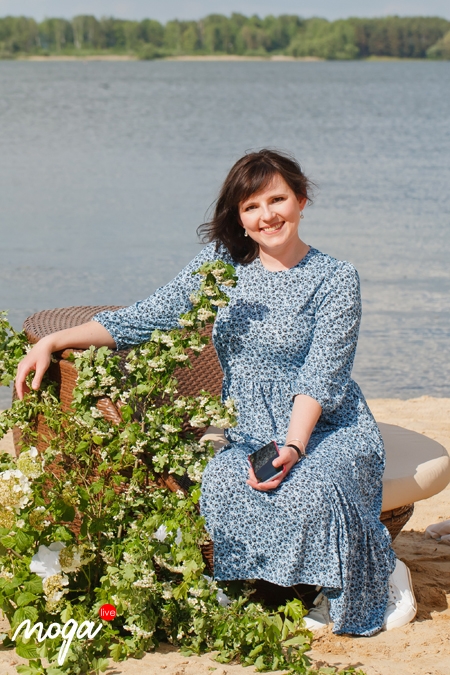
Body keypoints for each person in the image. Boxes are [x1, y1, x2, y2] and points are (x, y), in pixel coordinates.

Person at [16, 149, 417, 636]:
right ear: (239, 216)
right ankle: (274, 587)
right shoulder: (222, 265)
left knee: (312, 486)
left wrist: (294, 446)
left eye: (277, 199)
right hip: (251, 427)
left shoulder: (336, 278)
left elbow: (321, 377)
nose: (267, 215)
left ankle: (384, 575)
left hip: (325, 423)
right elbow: (147, 316)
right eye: (251, 206)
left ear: (301, 200)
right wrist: (53, 341)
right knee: (225, 482)